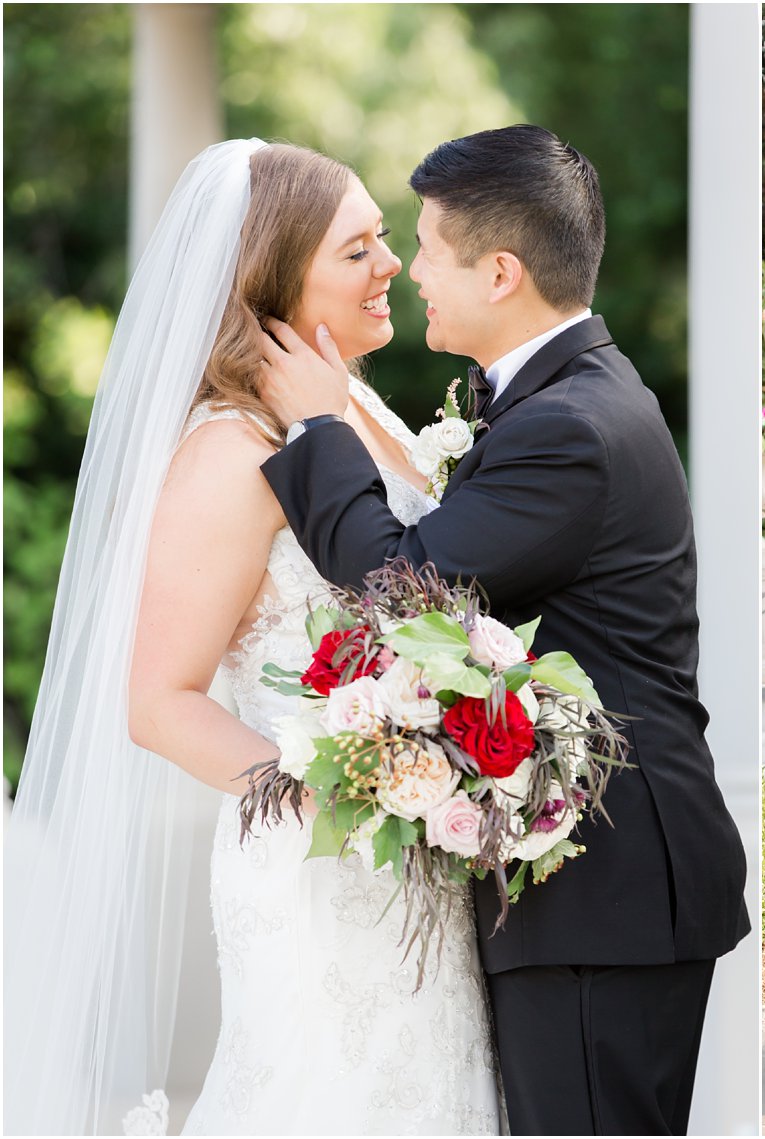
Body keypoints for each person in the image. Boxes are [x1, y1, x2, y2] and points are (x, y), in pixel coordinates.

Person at [255, 125, 750, 1137]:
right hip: (595, 897)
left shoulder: (568, 425)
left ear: (500, 271)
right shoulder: (560, 400)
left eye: (428, 248)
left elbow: (396, 585)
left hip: (599, 899)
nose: (408, 269)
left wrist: (317, 428)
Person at [4, 140, 499, 1134]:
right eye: (356, 249)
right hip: (315, 862)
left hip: (411, 859)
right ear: (274, 278)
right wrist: (339, 784)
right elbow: (157, 700)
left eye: (382, 240)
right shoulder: (227, 454)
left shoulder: (352, 406)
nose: (390, 264)